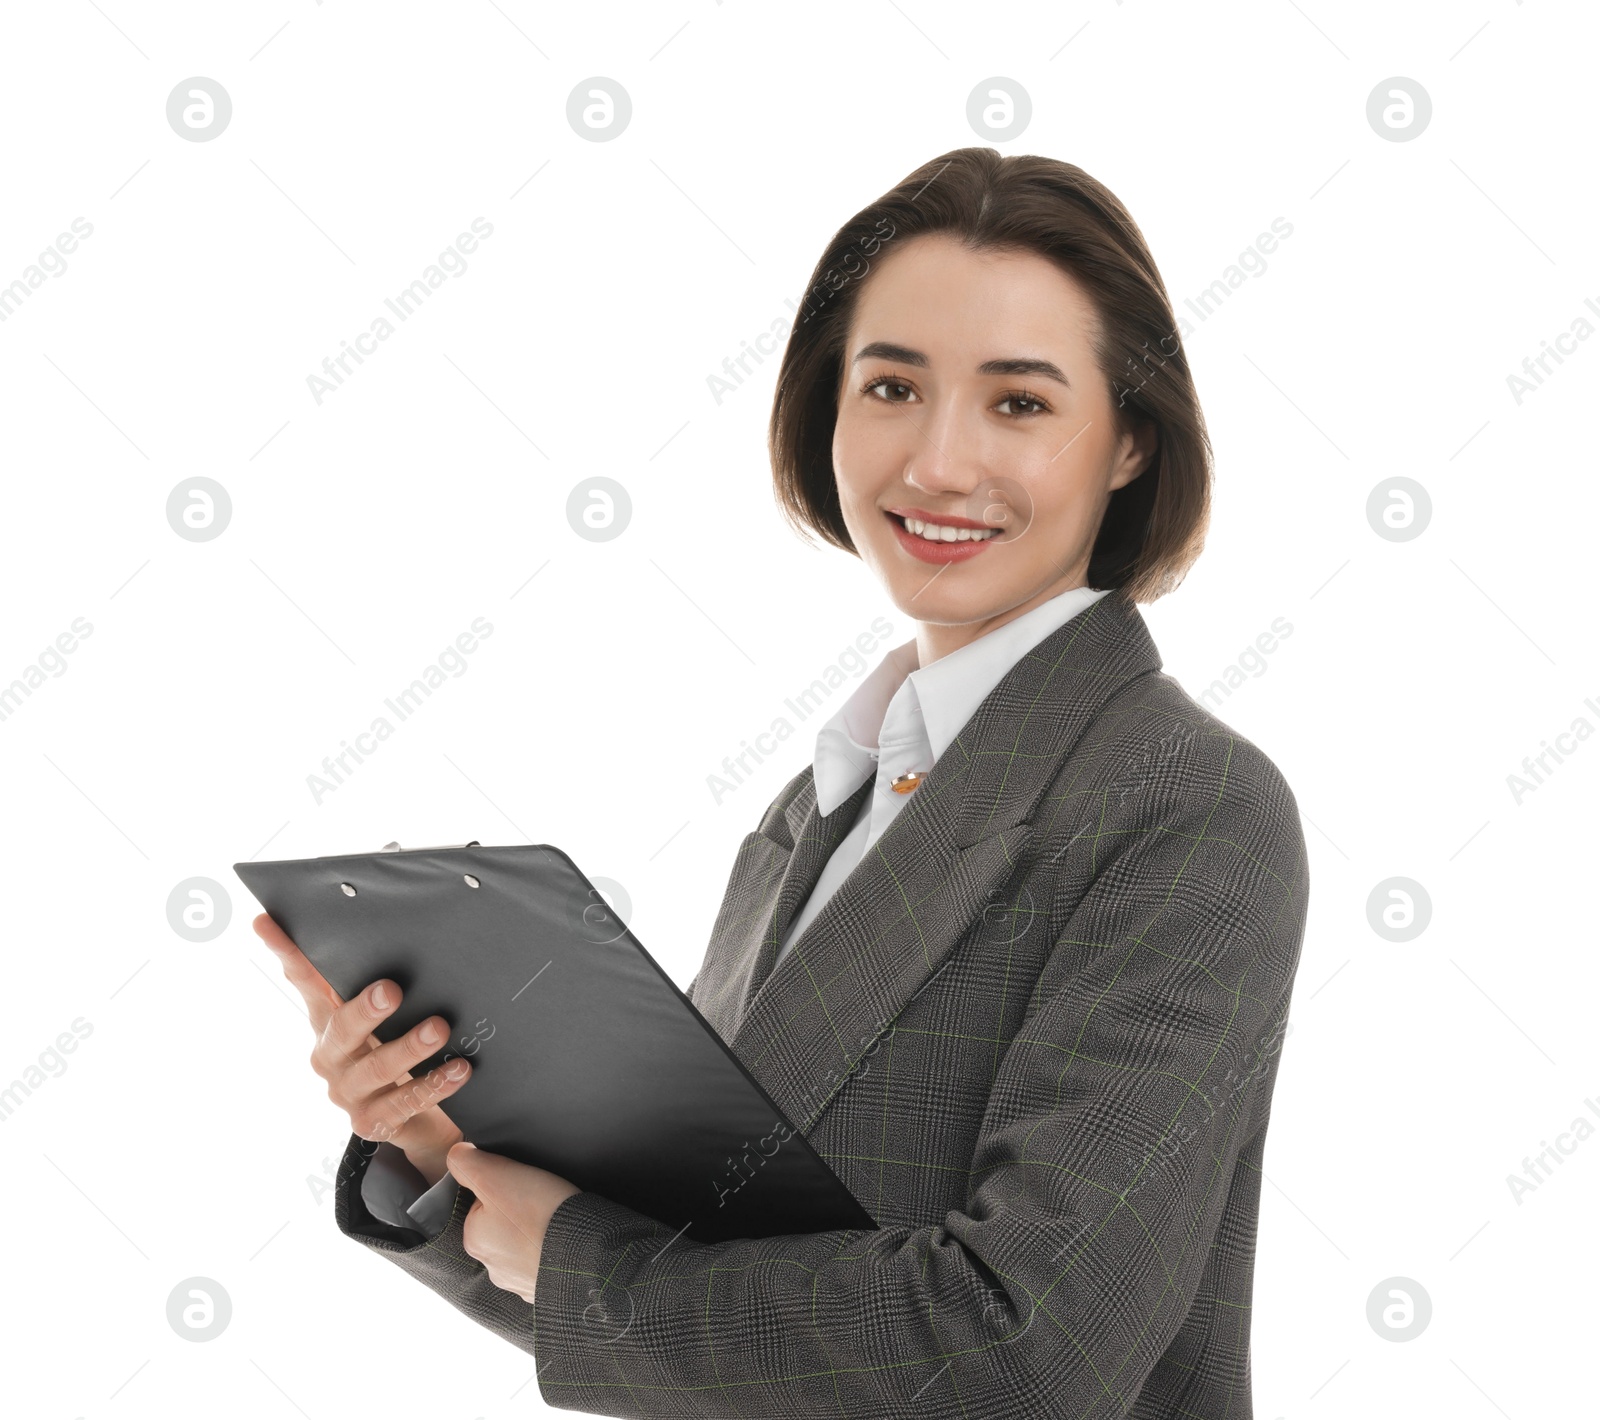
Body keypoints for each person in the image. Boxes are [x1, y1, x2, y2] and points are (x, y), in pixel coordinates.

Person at [256, 145, 1309, 1418]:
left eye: (1019, 404)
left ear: (1130, 441)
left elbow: (1026, 1351)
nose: (936, 463)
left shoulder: (1187, 805)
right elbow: (688, 1295)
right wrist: (433, 1144)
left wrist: (581, 1262)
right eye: (891, 386)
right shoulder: (824, 807)